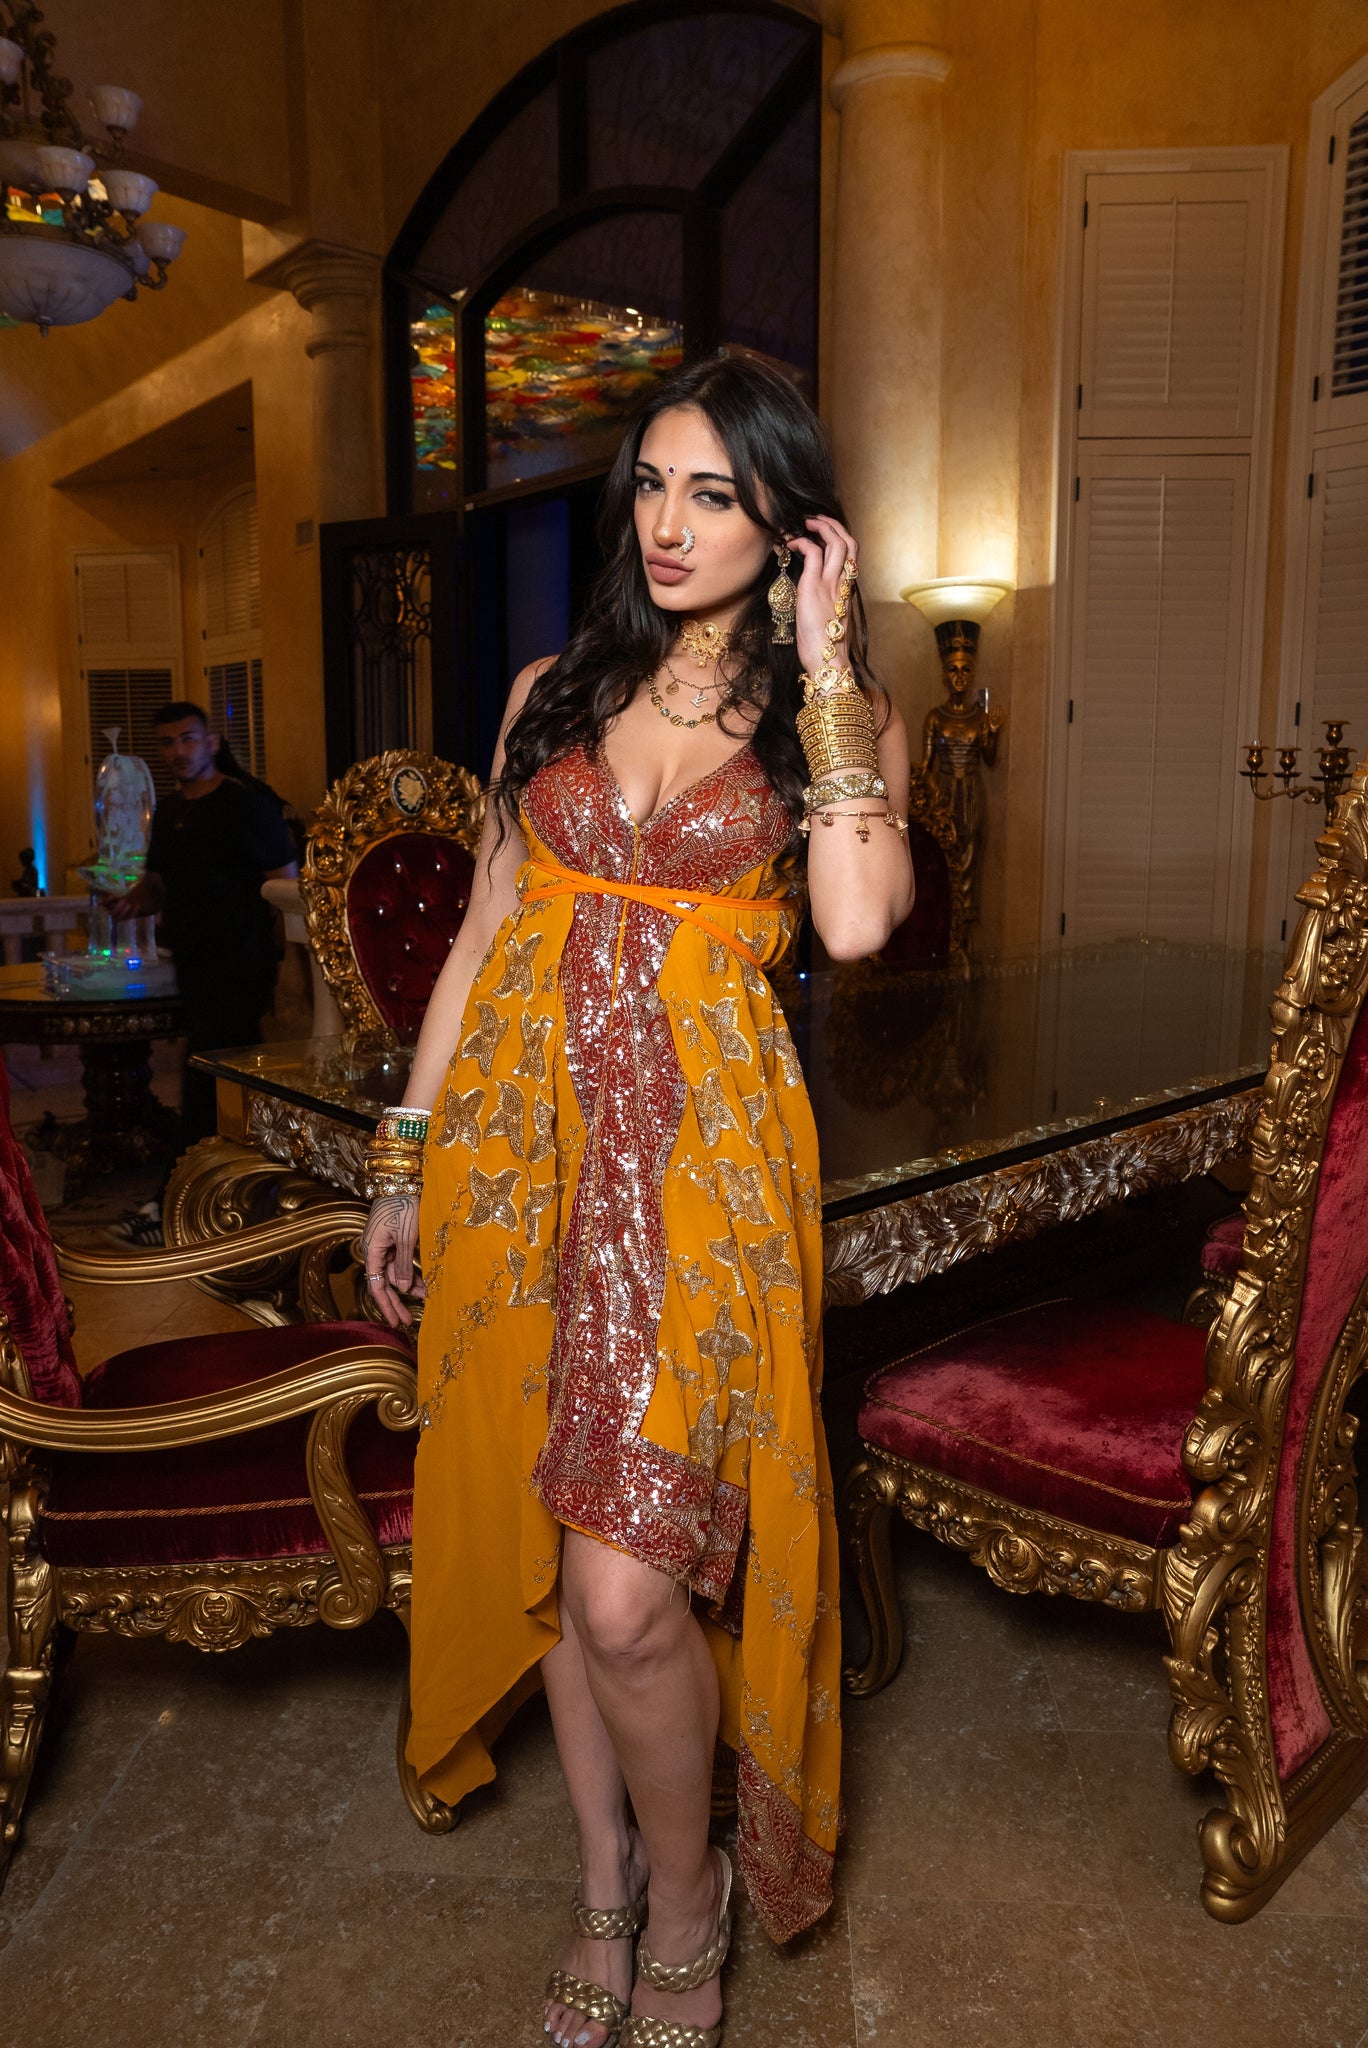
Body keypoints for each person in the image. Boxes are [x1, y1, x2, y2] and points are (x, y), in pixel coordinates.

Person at [360, 355, 914, 2048]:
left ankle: (690, 1898)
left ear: (789, 522)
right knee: (553, 1543)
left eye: (713, 495)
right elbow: (481, 936)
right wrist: (404, 1154)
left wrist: (829, 668)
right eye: (652, 486)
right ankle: (601, 1881)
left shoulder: (833, 716)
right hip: (519, 1162)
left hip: (699, 1186)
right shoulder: (554, 688)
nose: (668, 525)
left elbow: (856, 922)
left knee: (625, 1585)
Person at [109, 701, 297, 1153]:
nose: (178, 751)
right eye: (167, 742)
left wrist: (282, 963)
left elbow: (286, 885)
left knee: (219, 1071)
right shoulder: (170, 811)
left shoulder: (245, 805)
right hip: (193, 964)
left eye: (188, 739)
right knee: (209, 1070)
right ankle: (213, 1163)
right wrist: (128, 902)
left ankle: (199, 1166)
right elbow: (158, 885)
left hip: (240, 962)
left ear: (211, 743)